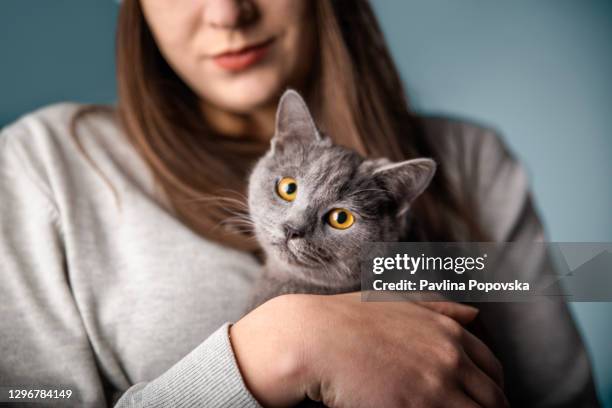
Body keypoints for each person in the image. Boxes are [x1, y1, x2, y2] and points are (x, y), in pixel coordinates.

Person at [0, 0, 600, 407]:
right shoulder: (45, 162)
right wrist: (273, 353)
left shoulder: (471, 156)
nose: (229, 12)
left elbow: (569, 387)